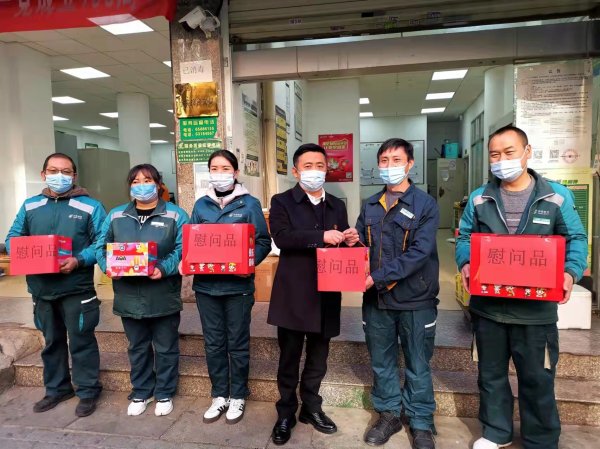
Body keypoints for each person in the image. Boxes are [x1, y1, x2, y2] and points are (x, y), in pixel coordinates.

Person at [455, 125, 587, 449]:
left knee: (538, 378)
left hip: (535, 311)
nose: (501, 160)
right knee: (490, 375)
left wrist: (570, 272)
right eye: (495, 155)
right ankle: (495, 432)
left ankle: (540, 439)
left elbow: (575, 238)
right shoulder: (480, 198)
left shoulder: (555, 196)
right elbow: (464, 237)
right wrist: (465, 262)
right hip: (489, 309)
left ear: (527, 152)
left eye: (509, 152)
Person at [267, 143, 359, 446]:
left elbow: (341, 241)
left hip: (327, 292)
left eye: (320, 165)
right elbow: (282, 237)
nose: (315, 171)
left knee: (319, 356)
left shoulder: (336, 204)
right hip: (294, 293)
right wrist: (321, 236)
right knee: (289, 357)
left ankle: (311, 407)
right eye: (308, 166)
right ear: (296, 171)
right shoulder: (282, 201)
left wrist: (349, 239)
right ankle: (285, 413)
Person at [5, 152, 106, 417]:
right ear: (43, 174)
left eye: (65, 172)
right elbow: (13, 237)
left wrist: (79, 259)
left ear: (74, 176)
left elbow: (102, 243)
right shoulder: (30, 206)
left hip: (77, 288)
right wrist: (25, 253)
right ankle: (57, 389)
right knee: (51, 341)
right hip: (41, 289)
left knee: (82, 341)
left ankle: (88, 390)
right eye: (53, 171)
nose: (59, 176)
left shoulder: (91, 206)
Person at [356, 138, 439, 449]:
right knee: (382, 360)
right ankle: (389, 413)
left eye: (396, 160)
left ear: (410, 164)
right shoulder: (370, 205)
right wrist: (351, 242)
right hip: (376, 300)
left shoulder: (425, 205)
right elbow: (362, 247)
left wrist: (376, 277)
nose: (389, 166)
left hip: (415, 298)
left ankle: (421, 422)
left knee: (418, 363)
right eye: (384, 161)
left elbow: (419, 253)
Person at [96, 164, 189, 417]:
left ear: (158, 184)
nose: (141, 186)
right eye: (135, 182)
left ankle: (165, 392)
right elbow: (101, 246)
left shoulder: (176, 215)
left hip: (163, 293)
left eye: (147, 180)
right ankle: (141, 391)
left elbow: (183, 249)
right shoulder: (116, 215)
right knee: (137, 346)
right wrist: (108, 267)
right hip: (128, 295)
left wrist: (163, 268)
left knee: (166, 347)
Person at [187, 150, 271, 425]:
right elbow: (192, 241)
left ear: (235, 172)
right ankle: (219, 394)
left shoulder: (249, 204)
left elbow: (263, 241)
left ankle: (238, 395)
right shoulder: (201, 205)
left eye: (225, 168)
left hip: (238, 288)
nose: (219, 173)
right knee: (213, 343)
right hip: (206, 287)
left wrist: (248, 263)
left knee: (237, 342)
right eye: (214, 168)